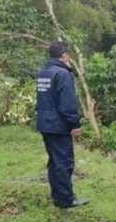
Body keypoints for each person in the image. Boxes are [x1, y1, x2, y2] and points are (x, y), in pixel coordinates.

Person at [36, 41, 89, 209]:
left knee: (54, 161)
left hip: (44, 124)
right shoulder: (63, 74)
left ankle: (57, 196)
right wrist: (74, 124)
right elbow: (67, 104)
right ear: (64, 55)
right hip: (58, 125)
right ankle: (66, 199)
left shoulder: (42, 73)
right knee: (64, 163)